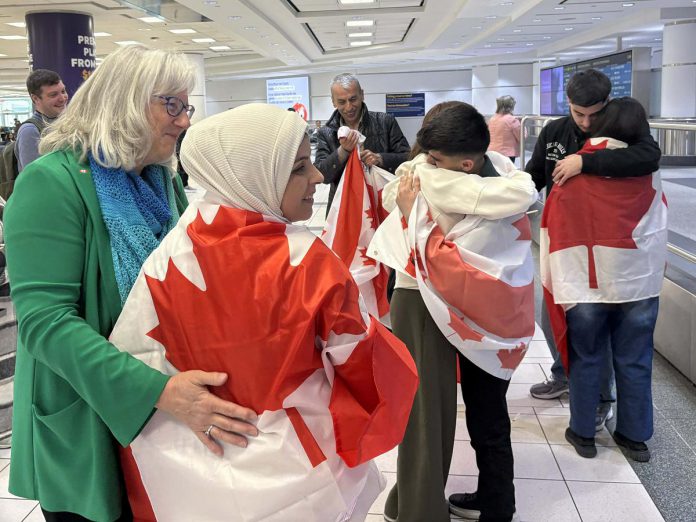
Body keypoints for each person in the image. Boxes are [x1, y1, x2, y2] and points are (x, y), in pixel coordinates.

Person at [107, 103, 418, 520]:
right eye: (298, 168)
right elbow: (367, 368)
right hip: (298, 473)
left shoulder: (166, 256)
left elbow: (133, 359)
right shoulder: (308, 262)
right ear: (253, 174)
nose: (319, 176)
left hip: (184, 476)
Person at [5, 45, 258, 522]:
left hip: (160, 411)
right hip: (87, 414)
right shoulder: (50, 184)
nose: (184, 121)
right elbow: (45, 325)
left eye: (187, 107)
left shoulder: (160, 181)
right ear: (125, 101)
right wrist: (159, 392)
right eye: (172, 105)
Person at [370, 102, 537, 522]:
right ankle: (447, 503)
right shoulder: (503, 173)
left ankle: (432, 508)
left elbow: (398, 192)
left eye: (435, 156)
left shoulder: (432, 179)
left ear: (465, 161)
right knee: (449, 413)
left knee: (437, 415)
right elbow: (394, 191)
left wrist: (415, 216)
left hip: (440, 298)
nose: (426, 162)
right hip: (468, 307)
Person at [526, 68, 661, 432]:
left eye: (594, 114)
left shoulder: (624, 131)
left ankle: (598, 403)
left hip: (615, 254)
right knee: (559, 325)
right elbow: (535, 174)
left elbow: (648, 157)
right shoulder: (555, 132)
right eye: (578, 113)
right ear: (567, 104)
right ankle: (564, 377)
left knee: (597, 341)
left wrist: (585, 161)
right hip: (567, 251)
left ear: (608, 105)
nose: (586, 122)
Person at [314, 73, 411, 212]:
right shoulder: (326, 132)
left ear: (362, 95)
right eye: (341, 102)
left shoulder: (385, 121)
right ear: (333, 102)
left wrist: (380, 159)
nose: (349, 107)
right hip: (343, 208)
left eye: (353, 99)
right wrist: (343, 152)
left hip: (382, 203)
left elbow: (408, 158)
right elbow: (322, 174)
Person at [15, 69, 69, 172]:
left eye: (63, 91)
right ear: (35, 98)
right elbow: (34, 176)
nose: (62, 98)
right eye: (53, 95)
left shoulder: (66, 123)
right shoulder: (30, 130)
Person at [488, 95, 521, 162]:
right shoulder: (512, 120)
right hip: (507, 154)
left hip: (491, 152)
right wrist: (522, 125)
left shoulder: (492, 119)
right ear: (511, 106)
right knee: (507, 172)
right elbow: (521, 136)